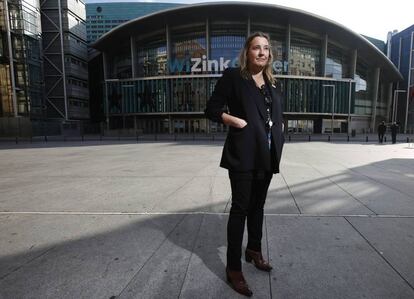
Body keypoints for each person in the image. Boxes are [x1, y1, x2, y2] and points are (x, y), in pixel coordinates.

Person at [205, 32, 284, 297]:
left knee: (258, 206)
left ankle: (254, 250)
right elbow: (212, 109)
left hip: (268, 154)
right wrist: (235, 121)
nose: (262, 52)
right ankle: (233, 268)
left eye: (265, 48)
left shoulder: (273, 84)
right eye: (256, 48)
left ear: (269, 54)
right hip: (243, 153)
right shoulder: (234, 77)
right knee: (240, 208)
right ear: (247, 52)